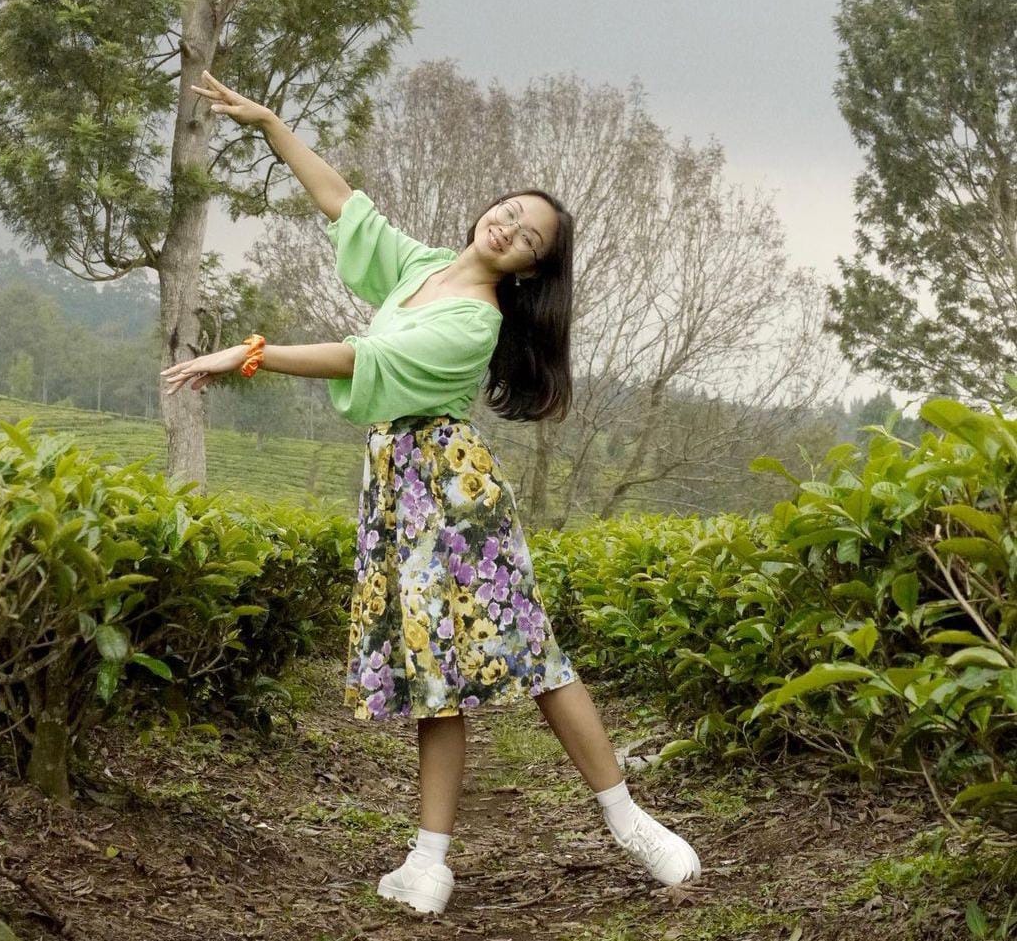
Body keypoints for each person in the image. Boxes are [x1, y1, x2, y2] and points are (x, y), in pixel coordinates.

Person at [161, 71, 702, 916]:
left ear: (530, 268)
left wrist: (253, 352)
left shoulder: (477, 320)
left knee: (536, 657)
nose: (509, 227)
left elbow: (364, 359)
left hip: (453, 491)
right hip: (398, 488)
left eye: (527, 237)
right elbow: (343, 202)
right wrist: (270, 123)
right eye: (510, 212)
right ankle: (429, 861)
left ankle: (628, 820)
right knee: (431, 669)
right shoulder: (417, 268)